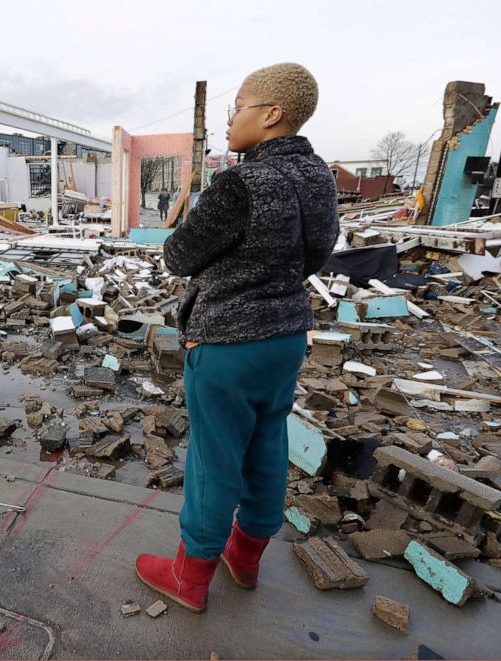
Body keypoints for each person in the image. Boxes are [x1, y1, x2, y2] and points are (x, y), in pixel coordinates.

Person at [134, 63, 339, 613]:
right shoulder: (319, 176)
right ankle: (244, 559)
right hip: (286, 338)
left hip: (226, 344)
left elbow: (178, 257)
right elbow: (317, 254)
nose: (230, 120)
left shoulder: (241, 182)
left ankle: (189, 575)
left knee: (213, 459)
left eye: (239, 106)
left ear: (272, 115)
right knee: (267, 446)